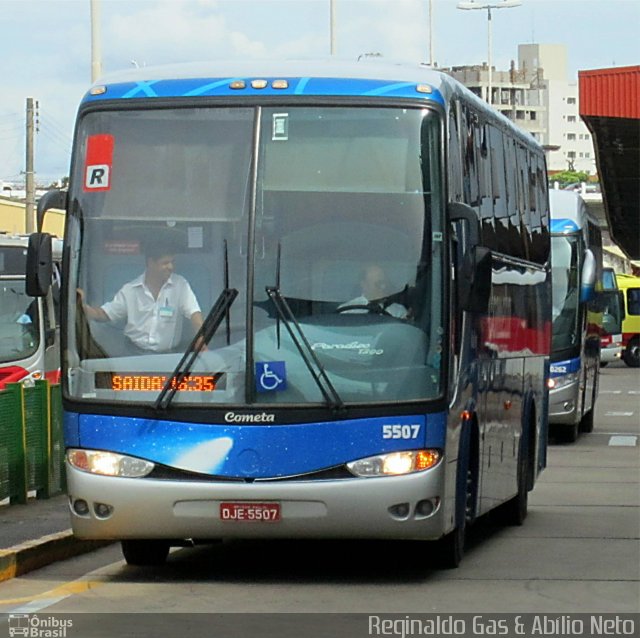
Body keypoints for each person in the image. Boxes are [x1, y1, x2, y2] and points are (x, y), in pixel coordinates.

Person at [78, 236, 205, 353]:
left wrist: (201, 338)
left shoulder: (180, 285)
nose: (170, 267)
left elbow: (194, 313)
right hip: (133, 355)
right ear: (151, 263)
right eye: (165, 263)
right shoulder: (130, 290)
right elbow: (104, 314)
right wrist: (82, 306)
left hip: (168, 358)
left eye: (172, 262)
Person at [339, 264, 409, 319]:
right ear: (364, 285)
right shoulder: (347, 311)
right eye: (378, 284)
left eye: (384, 283)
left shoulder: (398, 312)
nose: (383, 287)